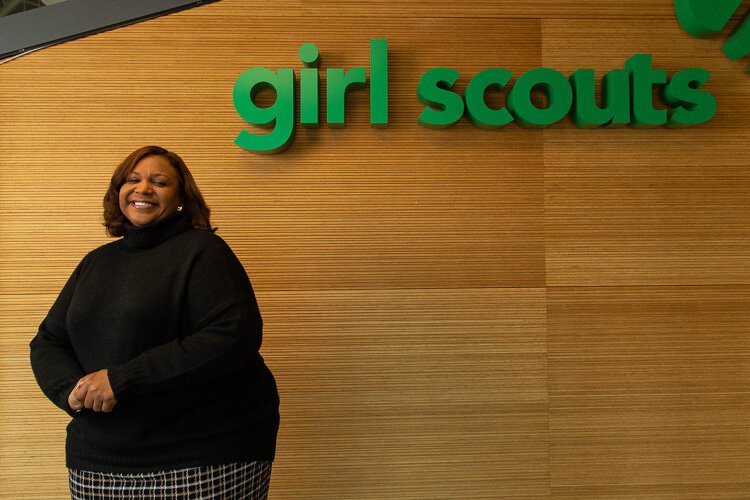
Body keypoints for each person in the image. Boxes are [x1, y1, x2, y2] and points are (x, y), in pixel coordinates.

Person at [29, 146, 280, 499]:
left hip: (203, 451)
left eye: (159, 181)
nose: (143, 188)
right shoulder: (96, 262)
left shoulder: (203, 250)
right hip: (101, 455)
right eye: (132, 179)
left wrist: (122, 379)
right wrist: (72, 390)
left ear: (180, 198)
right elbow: (48, 340)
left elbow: (232, 335)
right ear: (118, 192)